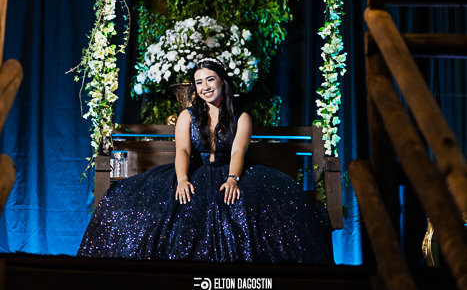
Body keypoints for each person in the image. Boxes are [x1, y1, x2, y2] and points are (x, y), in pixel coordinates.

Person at [78, 58, 334, 263]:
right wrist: (182, 179)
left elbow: (238, 152)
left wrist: (233, 179)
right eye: (199, 82)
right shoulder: (187, 116)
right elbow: (182, 151)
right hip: (194, 171)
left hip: (228, 170)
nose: (205, 87)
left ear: (222, 81)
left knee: (269, 207)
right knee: (138, 202)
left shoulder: (241, 117)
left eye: (210, 79)